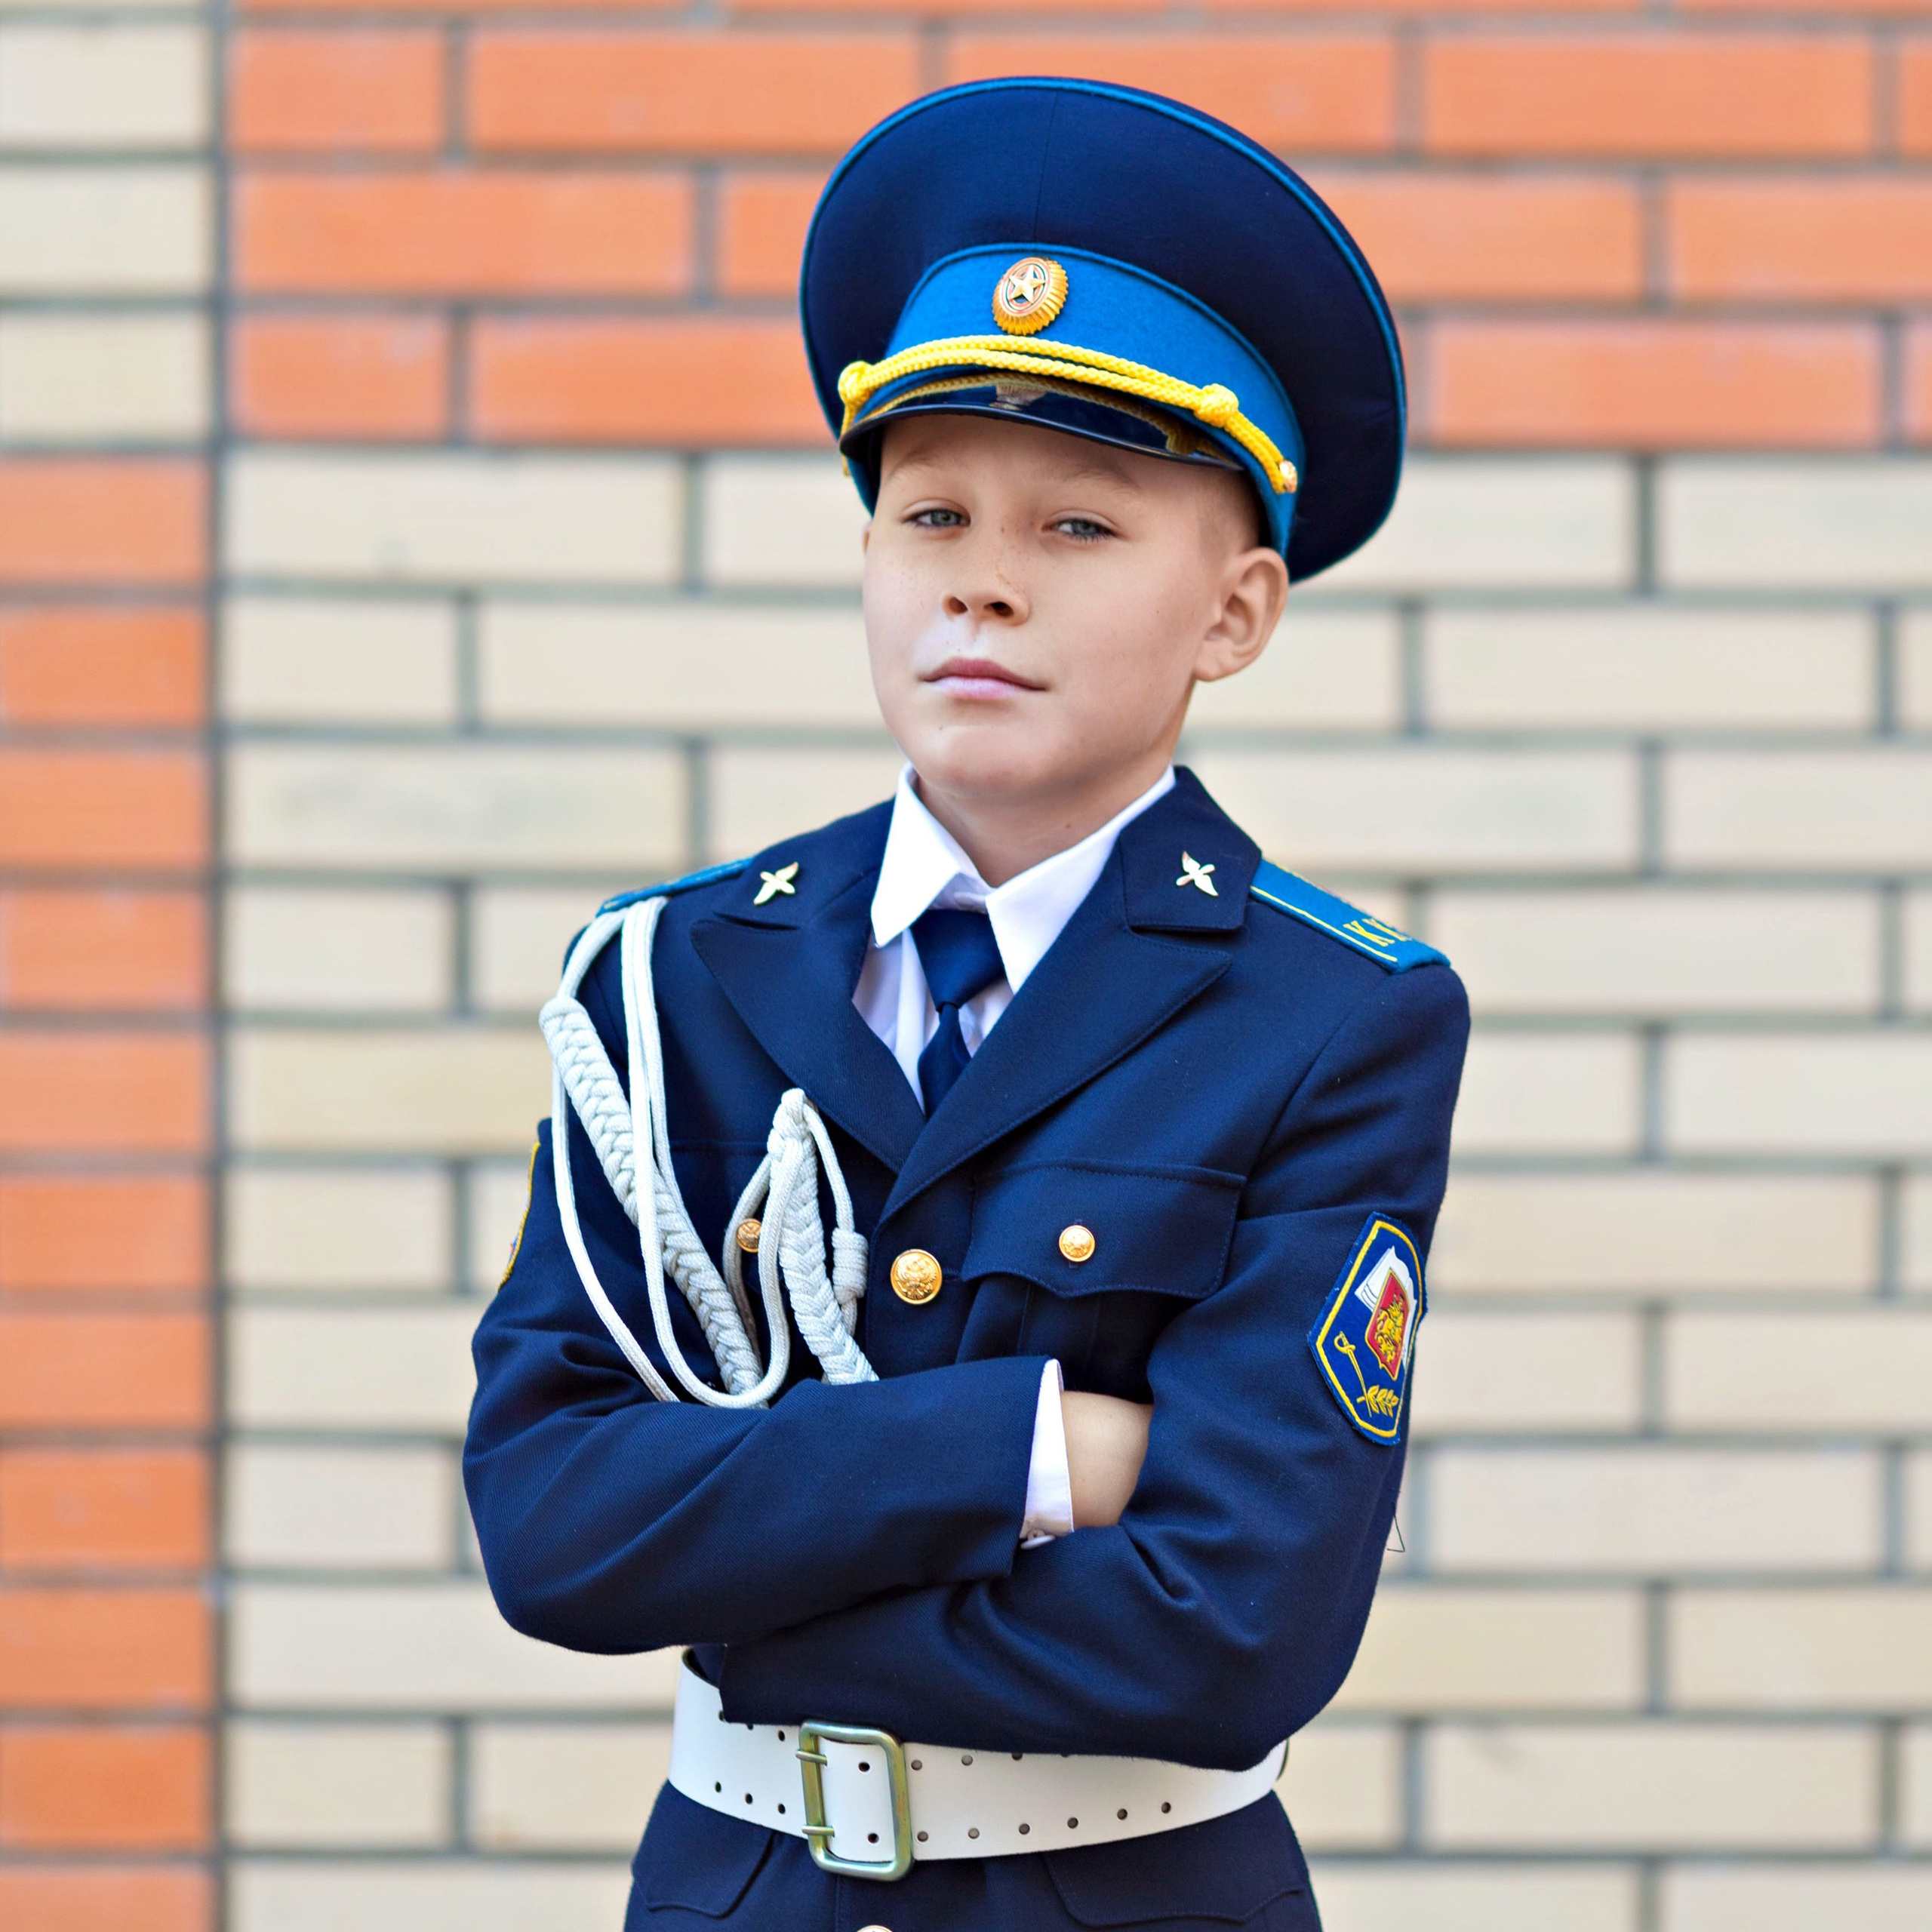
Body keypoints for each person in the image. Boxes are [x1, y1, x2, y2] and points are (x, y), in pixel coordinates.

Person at [465, 76, 1469, 1932]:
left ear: (1232, 612)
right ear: (867, 560)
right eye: (928, 514)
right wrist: (1040, 1448)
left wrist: (743, 1566)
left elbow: (1231, 1631)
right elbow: (550, 1521)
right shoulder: (675, 970)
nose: (982, 584)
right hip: (739, 1888)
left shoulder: (1329, 1015)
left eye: (1079, 529)